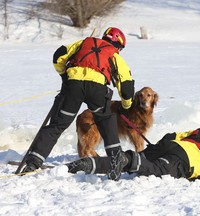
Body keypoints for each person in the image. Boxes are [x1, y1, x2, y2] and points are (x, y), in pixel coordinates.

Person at [22, 27, 135, 179]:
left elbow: (59, 56)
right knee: (106, 123)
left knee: (57, 125)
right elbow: (126, 83)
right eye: (120, 48)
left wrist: (64, 75)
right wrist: (126, 104)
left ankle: (32, 163)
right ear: (117, 44)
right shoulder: (114, 54)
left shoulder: (84, 42)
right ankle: (115, 164)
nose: (119, 51)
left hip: (73, 87)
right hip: (97, 90)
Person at [66, 119, 200, 181]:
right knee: (154, 169)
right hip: (186, 159)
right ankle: (128, 161)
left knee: (130, 160)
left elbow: (172, 135)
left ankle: (90, 164)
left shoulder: (198, 131)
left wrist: (156, 149)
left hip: (169, 146)